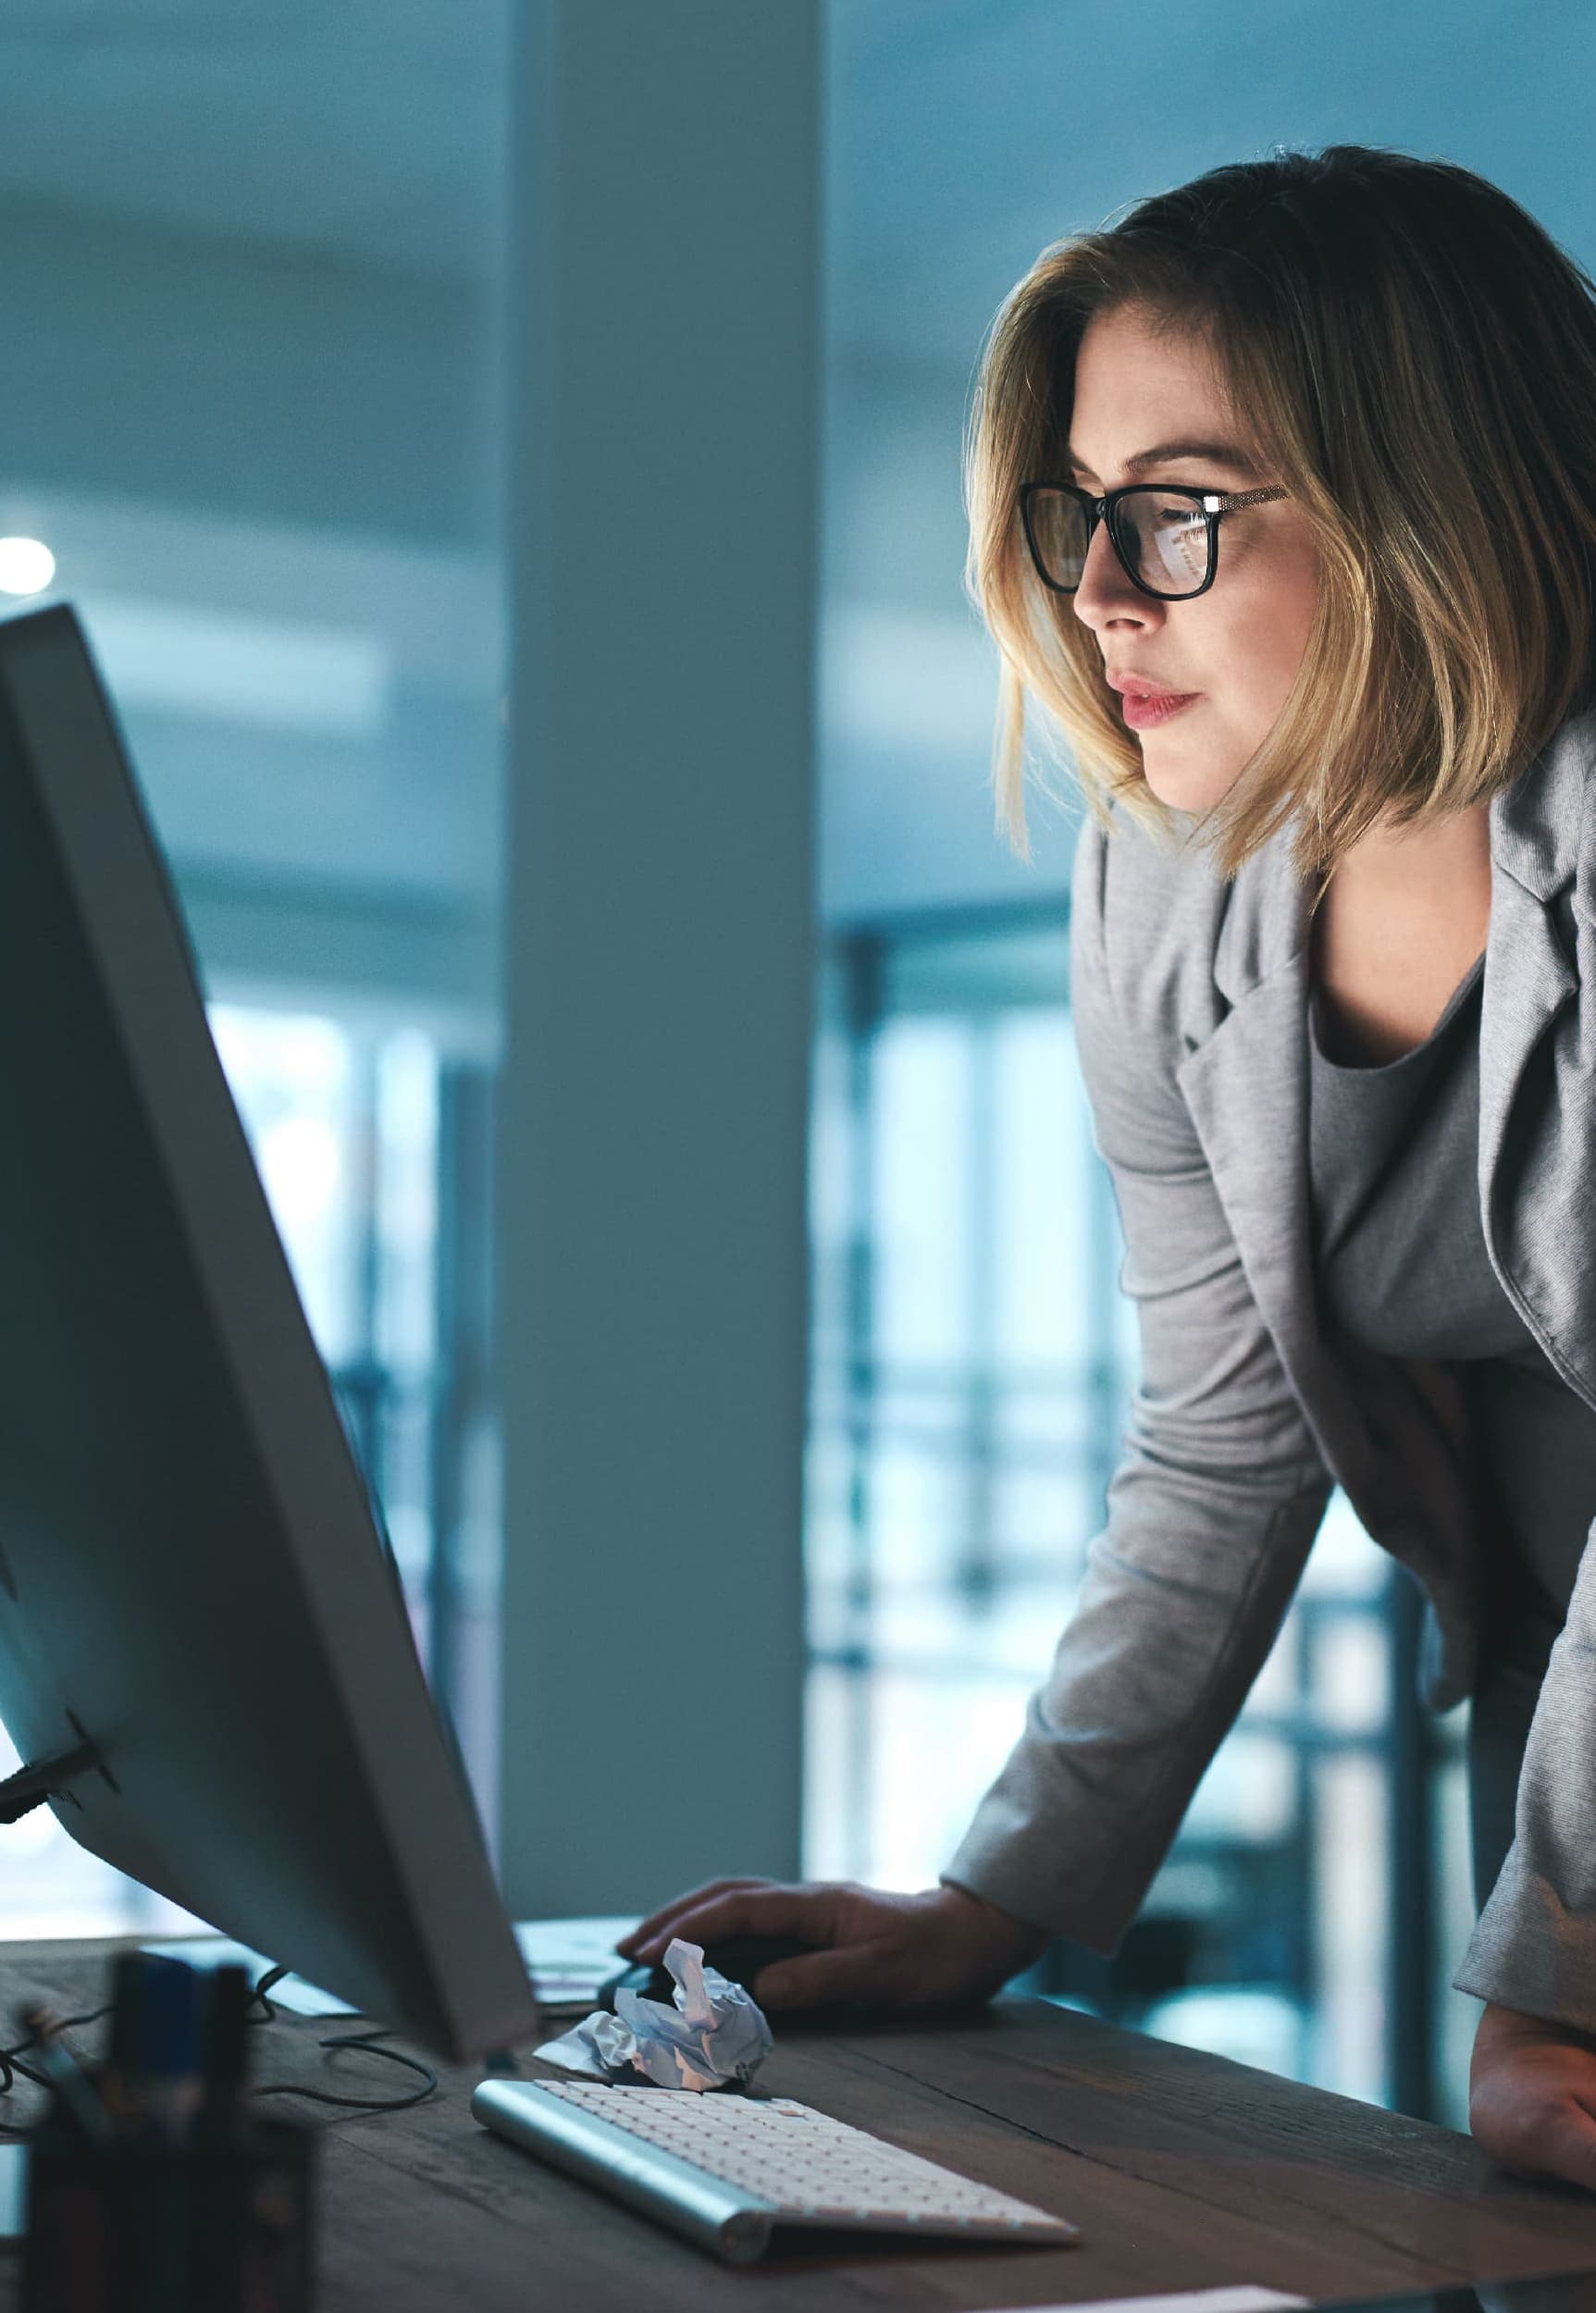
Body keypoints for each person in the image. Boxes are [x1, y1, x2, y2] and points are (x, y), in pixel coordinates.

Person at [619, 145, 1596, 2189]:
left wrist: (1554, 1974)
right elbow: (1225, 1442)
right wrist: (997, 1895)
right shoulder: (1164, 888)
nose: (1096, 591)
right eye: (1079, 510)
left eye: (1178, 508)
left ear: (1426, 506)